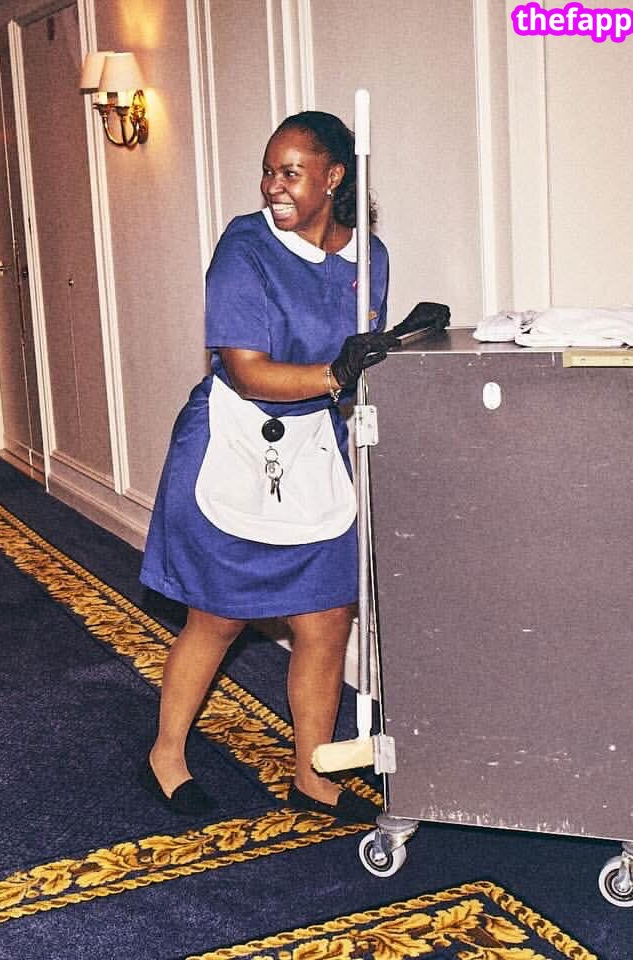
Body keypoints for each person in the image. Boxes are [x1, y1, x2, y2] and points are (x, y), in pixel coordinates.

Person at [139, 111, 406, 823]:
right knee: (218, 617)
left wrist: (398, 352)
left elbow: (361, 362)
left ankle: (312, 774)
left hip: (312, 449)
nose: (273, 185)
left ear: (334, 177)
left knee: (326, 618)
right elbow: (248, 370)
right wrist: (336, 373)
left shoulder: (370, 258)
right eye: (268, 170)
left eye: (291, 172)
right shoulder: (245, 246)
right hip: (232, 443)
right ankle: (166, 754)